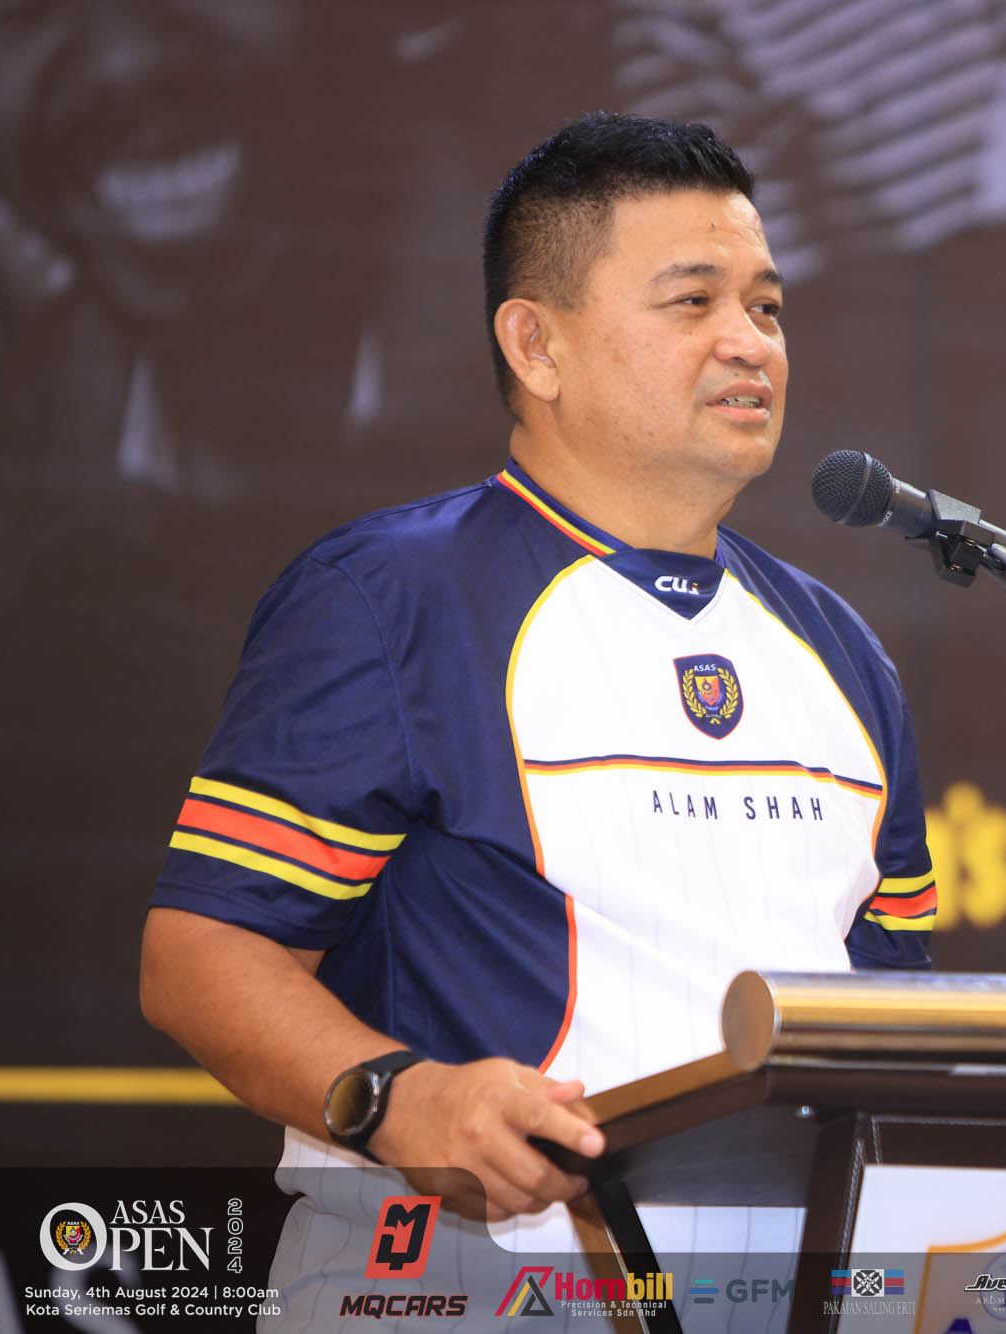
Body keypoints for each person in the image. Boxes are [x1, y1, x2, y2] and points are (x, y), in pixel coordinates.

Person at [139, 112, 937, 1313]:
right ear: (535, 344)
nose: (749, 341)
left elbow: (891, 1018)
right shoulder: (387, 597)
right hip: (449, 1285)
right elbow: (199, 956)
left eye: (766, 306)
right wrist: (401, 1097)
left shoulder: (841, 651)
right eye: (692, 301)